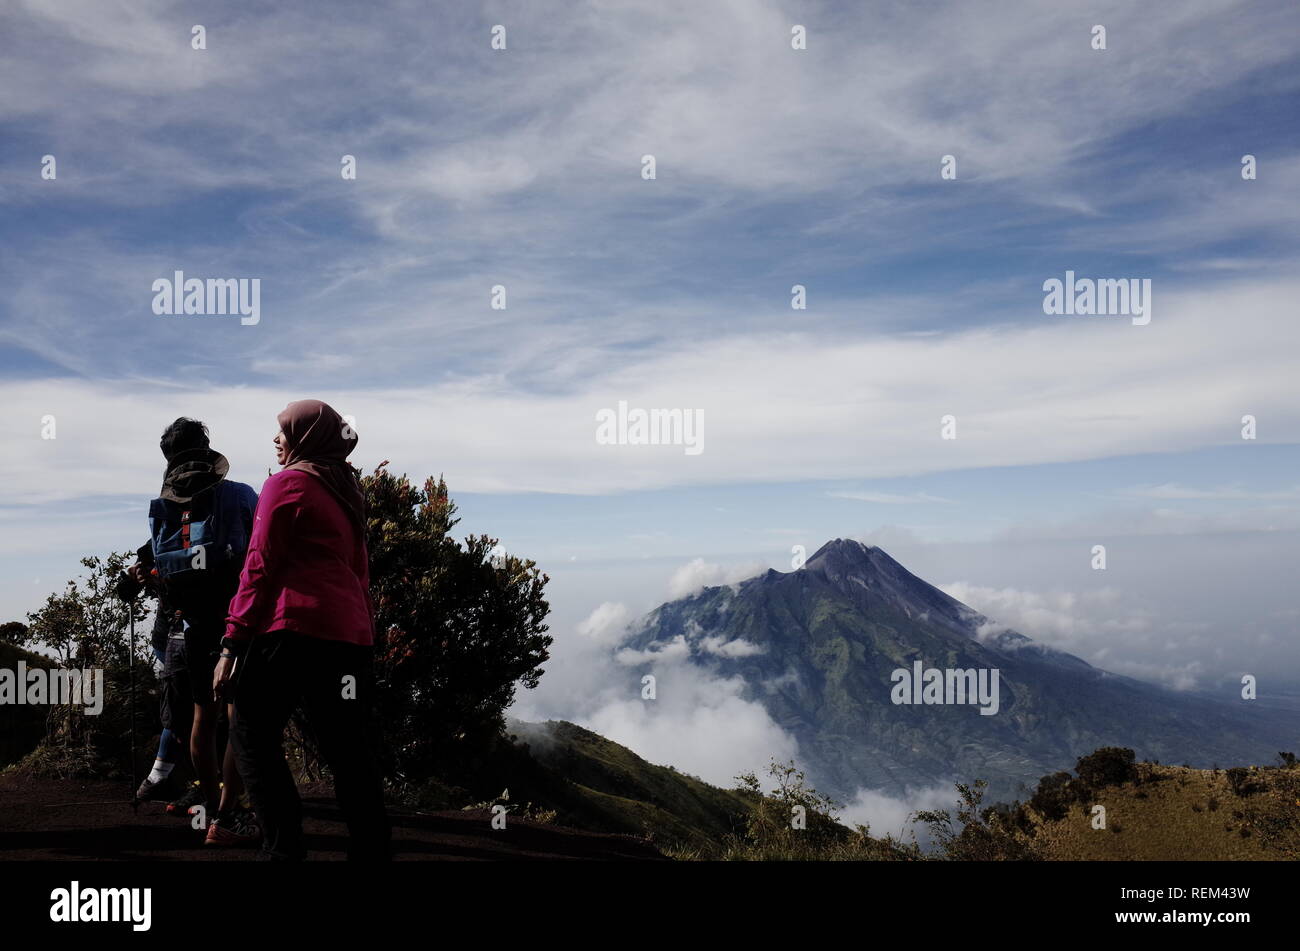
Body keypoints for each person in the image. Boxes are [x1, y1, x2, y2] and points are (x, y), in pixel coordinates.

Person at [215, 399, 390, 861]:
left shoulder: (287, 483)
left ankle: (284, 850)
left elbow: (259, 565)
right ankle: (372, 853)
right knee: (350, 752)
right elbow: (359, 570)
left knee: (250, 734)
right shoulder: (344, 488)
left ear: (306, 437)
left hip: (292, 630)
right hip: (349, 636)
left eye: (284, 432)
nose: (277, 439)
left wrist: (232, 642)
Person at [138, 417, 261, 846]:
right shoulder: (240, 495)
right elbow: (255, 557)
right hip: (235, 623)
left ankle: (208, 806)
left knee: (201, 718)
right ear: (207, 448)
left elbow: (159, 568)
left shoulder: (163, 506)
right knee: (238, 717)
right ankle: (228, 816)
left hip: (189, 626)